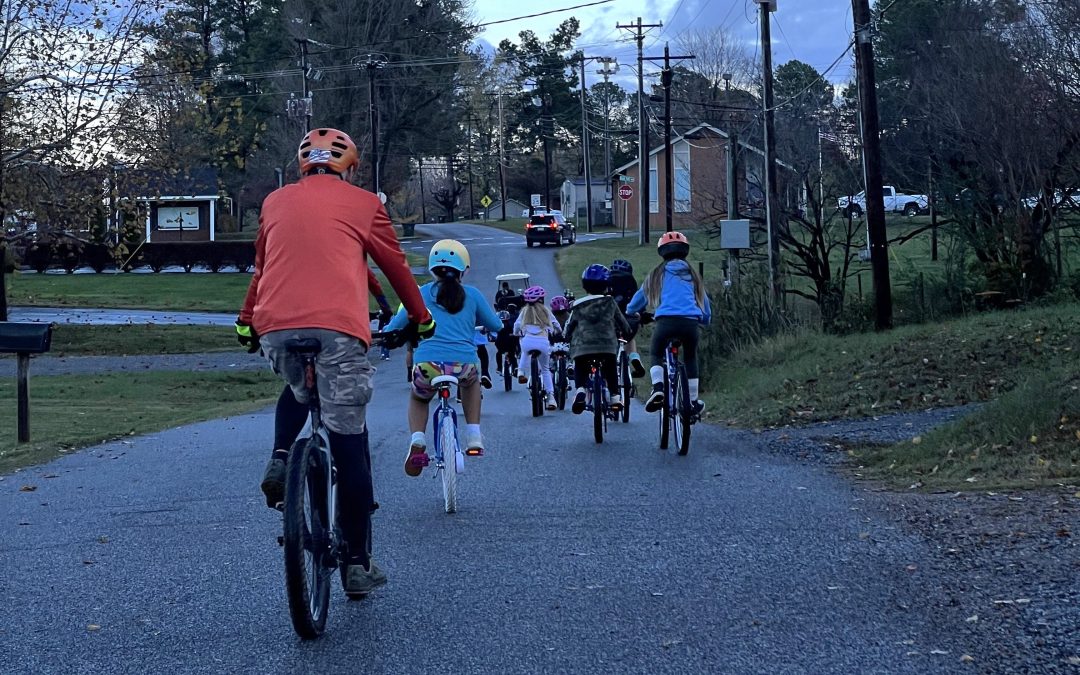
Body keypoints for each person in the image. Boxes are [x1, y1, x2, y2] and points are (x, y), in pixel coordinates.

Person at [236, 127, 433, 596]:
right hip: (338, 330)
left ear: (304, 163)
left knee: (301, 389)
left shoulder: (275, 202)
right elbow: (394, 265)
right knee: (349, 434)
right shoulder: (365, 205)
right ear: (350, 166)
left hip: (277, 326)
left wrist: (246, 321)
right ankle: (359, 563)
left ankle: (282, 458)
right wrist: (421, 320)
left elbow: (263, 268)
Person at [387, 239, 502, 472]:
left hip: (428, 365)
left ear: (431, 268)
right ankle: (474, 435)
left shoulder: (419, 294)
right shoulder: (473, 295)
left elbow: (394, 327)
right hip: (463, 365)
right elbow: (496, 324)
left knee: (419, 397)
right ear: (464, 269)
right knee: (471, 384)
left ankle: (418, 439)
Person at [626, 230, 712, 415]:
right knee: (690, 357)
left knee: (656, 352)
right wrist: (705, 320)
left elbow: (636, 302)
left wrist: (630, 312)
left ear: (662, 252)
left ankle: (658, 388)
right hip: (690, 324)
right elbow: (705, 305)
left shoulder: (657, 274)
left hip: (665, 322)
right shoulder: (693, 275)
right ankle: (693, 401)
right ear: (685, 251)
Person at [563, 264, 631, 414]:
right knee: (611, 367)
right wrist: (627, 332)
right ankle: (614, 396)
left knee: (580, 365)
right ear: (606, 285)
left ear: (585, 285)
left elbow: (570, 326)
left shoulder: (578, 305)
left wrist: (567, 337)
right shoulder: (610, 302)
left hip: (583, 346)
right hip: (606, 345)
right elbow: (621, 322)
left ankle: (580, 389)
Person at [513, 286, 561, 410]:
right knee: (545, 370)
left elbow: (517, 325)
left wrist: (516, 332)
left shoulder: (524, 311)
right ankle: (551, 398)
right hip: (543, 342)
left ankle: (521, 372)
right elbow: (556, 324)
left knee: (524, 349)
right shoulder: (546, 311)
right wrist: (558, 331)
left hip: (528, 341)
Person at [609, 258, 646, 378]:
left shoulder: (608, 282)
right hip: (629, 318)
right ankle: (634, 357)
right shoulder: (631, 283)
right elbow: (638, 301)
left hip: (610, 318)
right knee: (629, 338)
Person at [493, 305, 520, 378]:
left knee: (498, 353)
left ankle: (499, 367)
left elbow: (492, 332)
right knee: (512, 355)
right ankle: (515, 367)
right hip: (511, 344)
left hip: (500, 345)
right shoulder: (511, 324)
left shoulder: (497, 325)